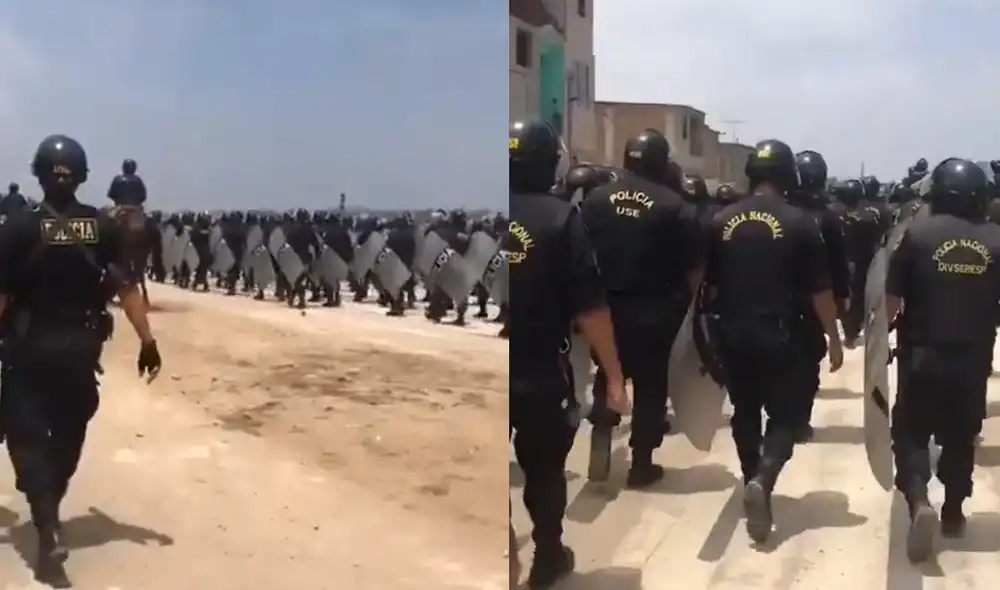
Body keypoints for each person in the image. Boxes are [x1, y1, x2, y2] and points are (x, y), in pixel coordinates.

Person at [0, 135, 162, 583]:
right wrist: (147, 341)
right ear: (83, 176)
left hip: (28, 351)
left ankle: (46, 525)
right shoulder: (104, 228)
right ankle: (49, 501)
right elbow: (128, 288)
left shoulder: (17, 226)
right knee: (69, 433)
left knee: (26, 433)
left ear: (37, 174)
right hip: (81, 351)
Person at [704, 139, 842, 543]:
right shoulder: (802, 223)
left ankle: (751, 478)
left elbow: (706, 286)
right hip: (786, 335)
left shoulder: (720, 221)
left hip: (733, 332)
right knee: (785, 413)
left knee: (745, 409)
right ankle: (764, 478)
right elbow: (820, 290)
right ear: (788, 176)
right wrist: (832, 335)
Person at [508, 120, 627, 589]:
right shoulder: (560, 219)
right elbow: (591, 307)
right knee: (543, 469)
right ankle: (547, 555)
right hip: (540, 370)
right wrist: (613, 374)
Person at [886, 158, 1000, 562]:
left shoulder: (915, 234)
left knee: (912, 433)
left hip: (921, 356)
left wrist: (878, 343)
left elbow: (890, 300)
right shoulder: (997, 239)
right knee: (960, 434)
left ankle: (919, 503)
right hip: (972, 360)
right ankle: (953, 513)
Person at [581, 128, 705, 487]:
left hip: (604, 307)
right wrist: (692, 302)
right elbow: (694, 266)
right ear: (662, 162)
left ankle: (603, 424)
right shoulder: (675, 206)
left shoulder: (595, 200)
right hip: (657, 311)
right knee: (652, 386)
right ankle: (641, 463)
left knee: (608, 370)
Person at [791, 150, 851, 442]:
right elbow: (838, 264)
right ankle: (799, 420)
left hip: (776, 299)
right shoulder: (828, 218)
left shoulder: (781, 211)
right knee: (807, 362)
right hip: (814, 303)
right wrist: (841, 300)